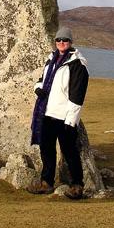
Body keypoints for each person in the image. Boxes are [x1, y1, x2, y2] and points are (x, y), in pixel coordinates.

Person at [28, 26, 89, 200]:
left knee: (70, 151)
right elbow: (41, 80)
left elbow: (77, 96)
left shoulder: (77, 65)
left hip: (64, 116)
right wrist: (38, 89)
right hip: (47, 113)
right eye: (58, 40)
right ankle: (46, 182)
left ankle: (77, 185)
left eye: (65, 40)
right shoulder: (51, 60)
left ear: (70, 43)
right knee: (46, 149)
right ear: (55, 42)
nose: (61, 43)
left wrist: (71, 121)